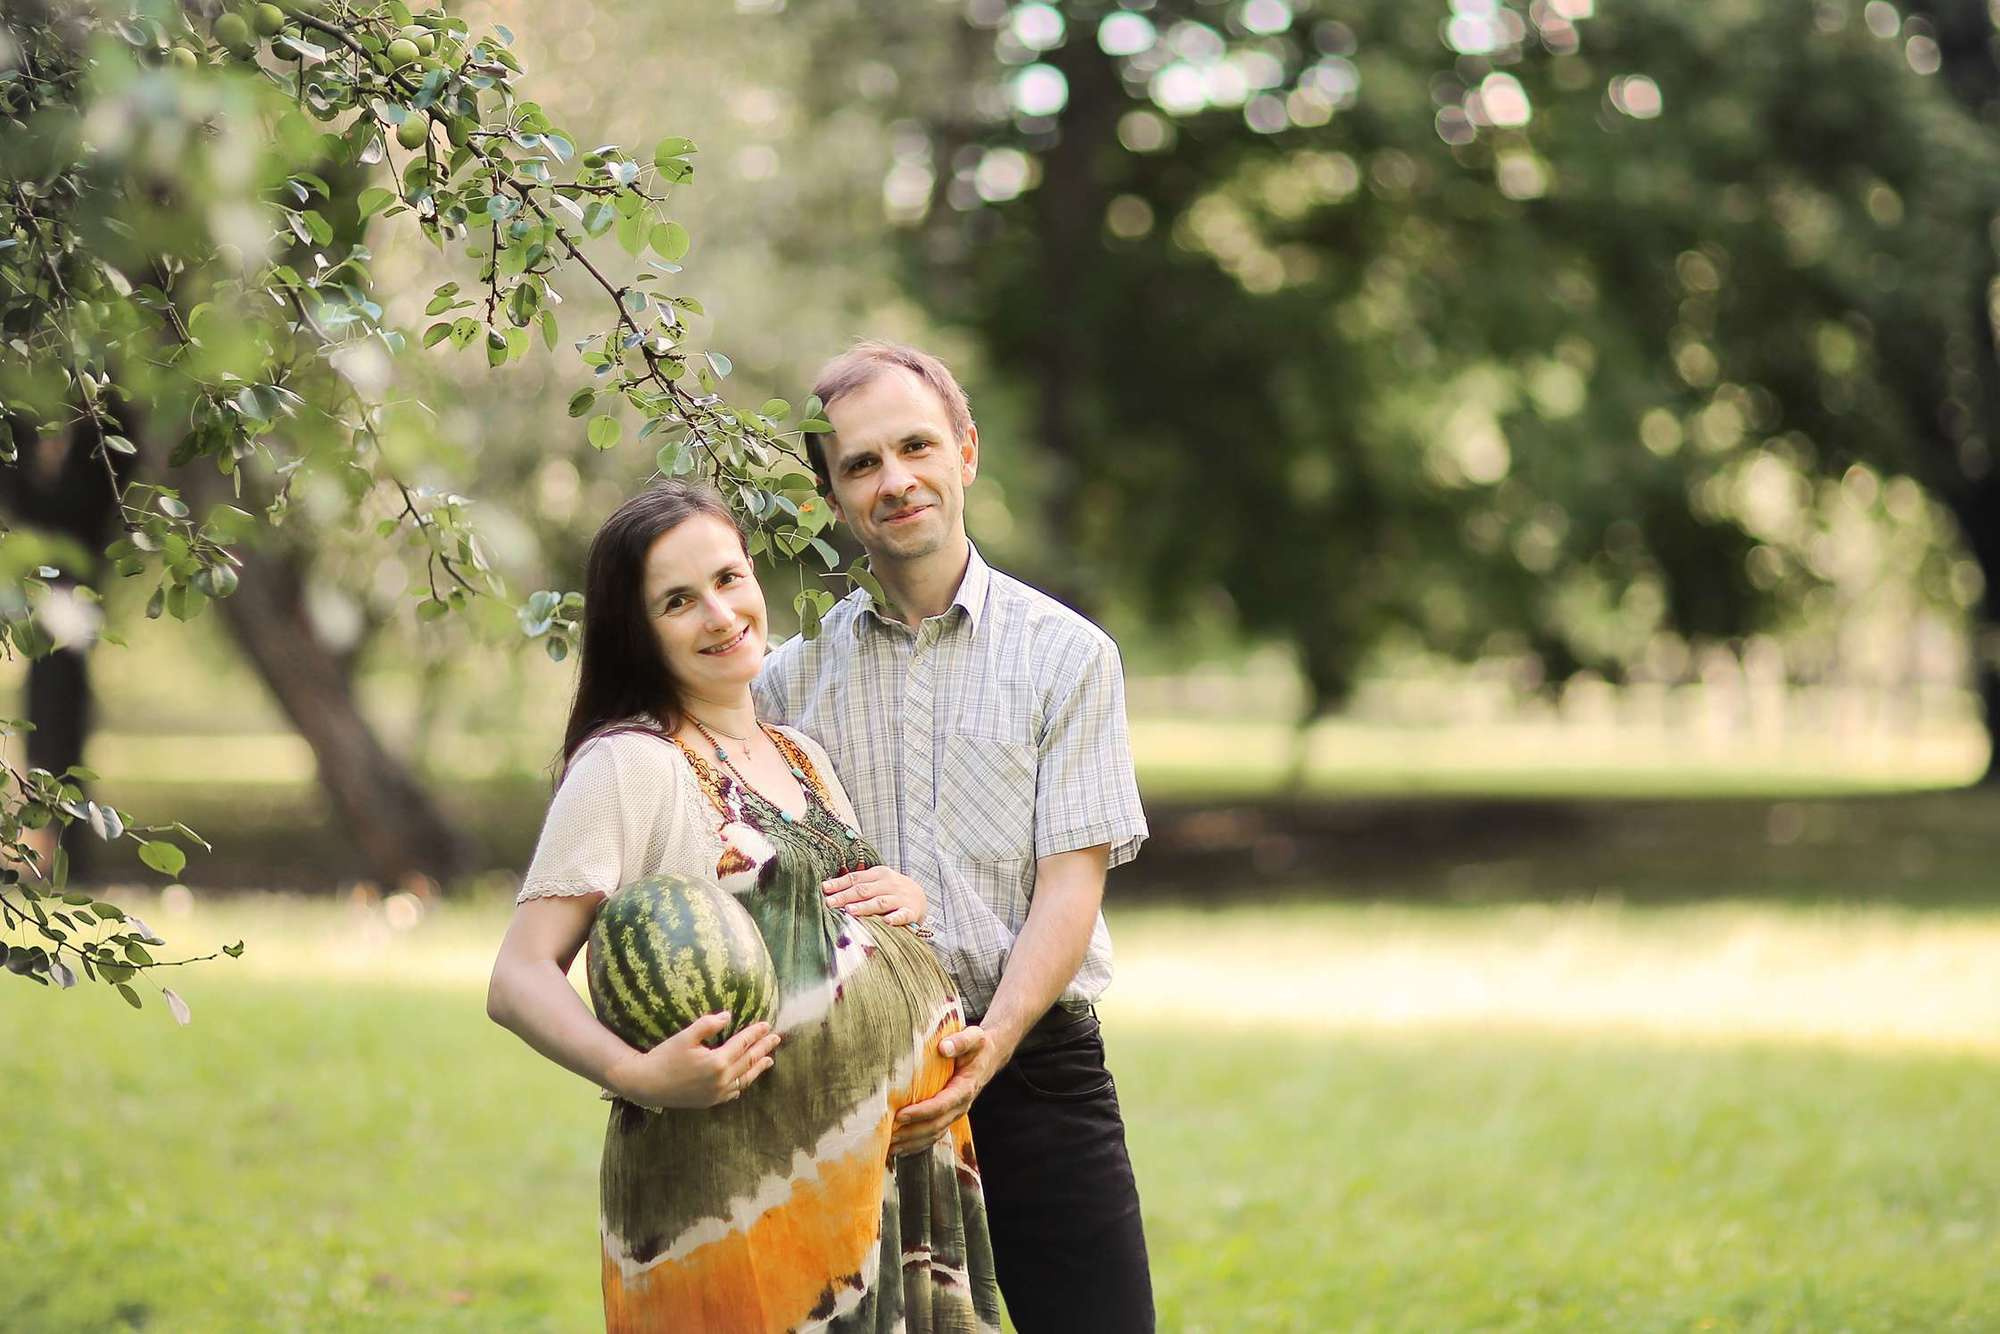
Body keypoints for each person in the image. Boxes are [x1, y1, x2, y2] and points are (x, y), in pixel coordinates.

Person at [486, 481, 1002, 1333]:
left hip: (887, 1194)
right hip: (743, 1206)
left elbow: (837, 928)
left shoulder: (799, 755)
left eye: (728, 579)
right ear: (638, 630)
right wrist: (635, 1073)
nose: (720, 614)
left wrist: (907, 905)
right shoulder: (631, 766)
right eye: (678, 601)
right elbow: (517, 975)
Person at [754, 341, 1155, 1331]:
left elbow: (1070, 884)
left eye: (915, 446)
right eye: (859, 464)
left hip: (1035, 1061)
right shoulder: (785, 682)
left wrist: (992, 1043)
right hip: (851, 1082)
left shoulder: (1066, 656)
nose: (895, 480)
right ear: (830, 494)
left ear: (965, 452)